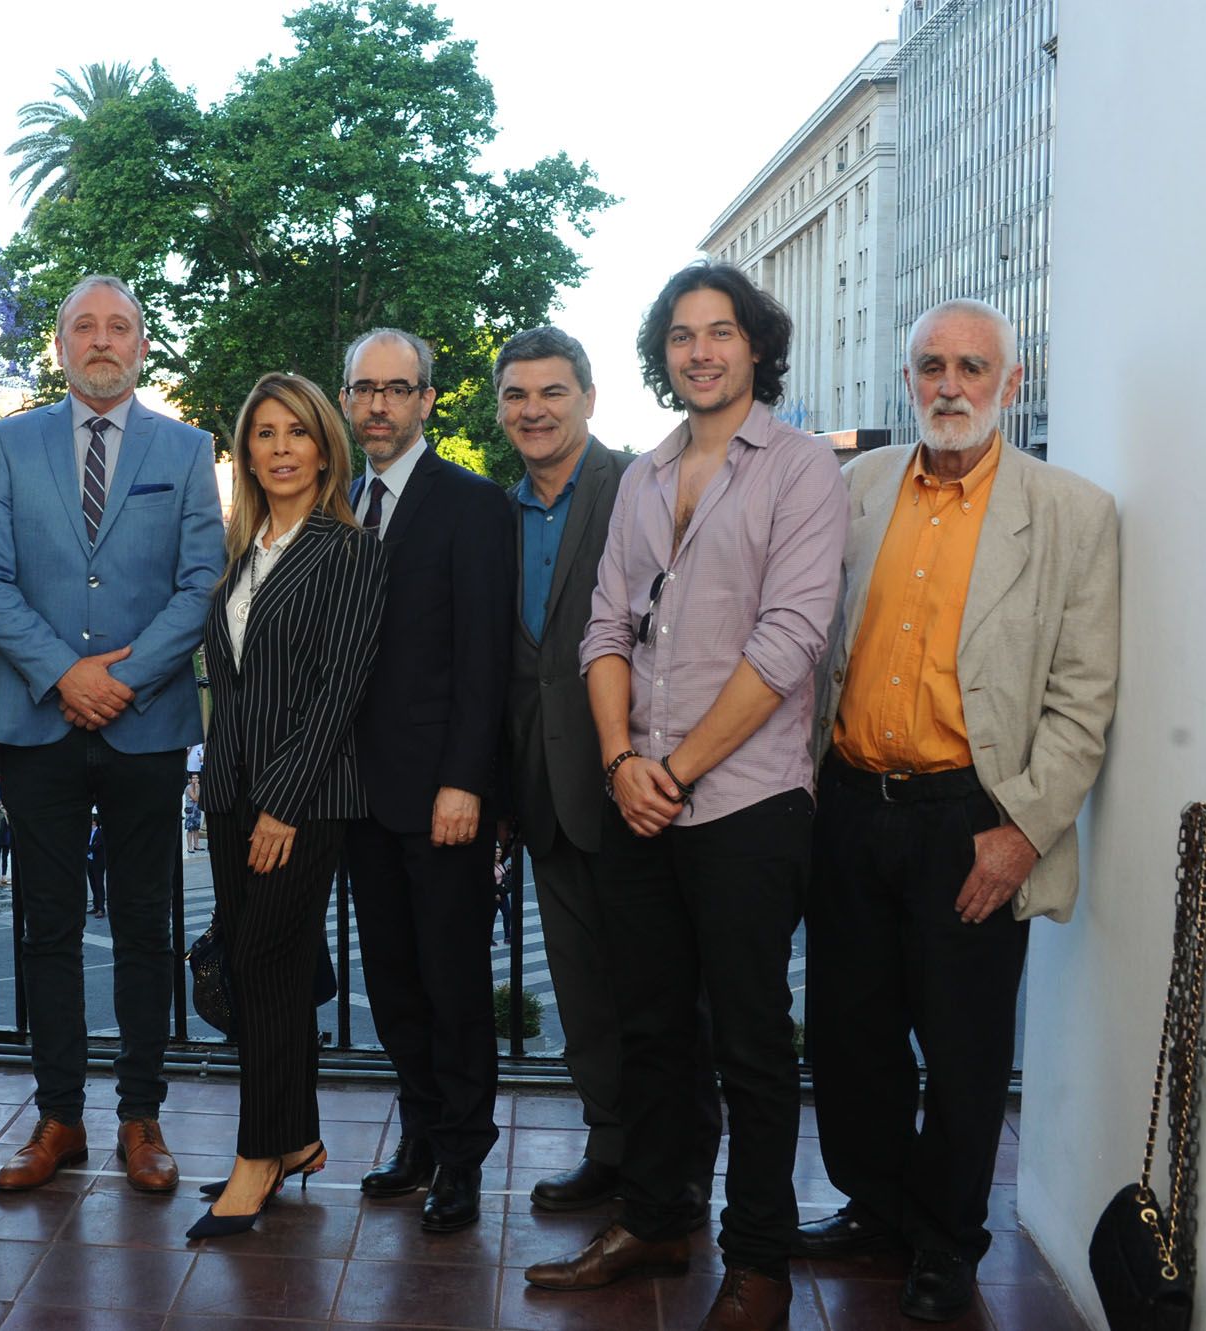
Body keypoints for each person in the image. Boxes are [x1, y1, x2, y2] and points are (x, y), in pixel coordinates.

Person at [528, 262, 845, 1331]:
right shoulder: (642, 476)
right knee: (649, 1029)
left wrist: (676, 768)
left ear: (755, 345)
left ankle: (756, 1258)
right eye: (678, 335)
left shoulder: (800, 468)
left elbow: (789, 639)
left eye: (718, 332)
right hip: (638, 798)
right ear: (659, 357)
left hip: (745, 805)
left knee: (750, 1042)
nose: (699, 350)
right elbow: (602, 629)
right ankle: (656, 1216)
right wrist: (621, 761)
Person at [795, 299, 1119, 1322]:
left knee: (965, 1043)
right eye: (930, 365)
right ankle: (876, 1204)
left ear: (1008, 385)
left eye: (970, 367)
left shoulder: (1072, 513)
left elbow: (1082, 694)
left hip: (969, 820)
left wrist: (1022, 828)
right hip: (847, 804)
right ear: (905, 378)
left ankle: (944, 1236)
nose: (948, 385)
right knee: (846, 1034)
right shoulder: (850, 491)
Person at [0, 274, 226, 1192]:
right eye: (86, 327)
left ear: (143, 345)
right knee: (47, 927)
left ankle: (141, 1117)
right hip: (35, 722)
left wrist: (121, 678)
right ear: (62, 345)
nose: (103, 340)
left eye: (120, 326)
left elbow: (203, 583)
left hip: (147, 724)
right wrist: (63, 673)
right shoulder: (9, 443)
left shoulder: (188, 450)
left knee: (150, 924)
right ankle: (59, 1117)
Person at [492, 325, 726, 1219]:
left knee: (665, 996)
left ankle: (682, 1167)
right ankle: (612, 1145)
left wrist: (652, 763)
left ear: (588, 398)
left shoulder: (641, 485)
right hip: (544, 794)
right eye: (517, 394)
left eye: (553, 391)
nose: (534, 409)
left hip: (637, 784)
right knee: (586, 993)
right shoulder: (496, 513)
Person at [186, 372, 388, 1239]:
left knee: (266, 974)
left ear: (324, 446)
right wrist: (211, 780)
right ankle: (298, 1135)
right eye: (262, 433)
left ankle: (257, 1155)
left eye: (295, 432)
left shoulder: (349, 551)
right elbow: (232, 685)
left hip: (298, 802)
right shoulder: (241, 552)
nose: (279, 448)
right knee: (261, 972)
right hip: (230, 793)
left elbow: (339, 692)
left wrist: (282, 805)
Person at [342, 328, 513, 1234]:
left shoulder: (474, 505)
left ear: (427, 400)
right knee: (393, 981)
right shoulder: (332, 501)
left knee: (452, 986)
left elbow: (485, 661)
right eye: (363, 388)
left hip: (441, 797)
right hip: (354, 796)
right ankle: (416, 1137)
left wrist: (466, 782)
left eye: (396, 389)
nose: (378, 404)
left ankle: (462, 1158)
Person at [85, 812, 106, 917]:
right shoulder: (88, 833)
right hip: (89, 862)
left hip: (98, 863)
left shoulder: (100, 833)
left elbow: (95, 846)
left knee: (99, 885)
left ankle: (101, 909)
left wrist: (85, 849)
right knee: (93, 884)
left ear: (95, 821)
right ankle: (95, 906)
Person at [183, 775, 203, 854]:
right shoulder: (189, 788)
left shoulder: (199, 786)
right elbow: (195, 798)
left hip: (197, 810)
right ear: (191, 779)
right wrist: (197, 789)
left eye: (197, 778)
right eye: (193, 778)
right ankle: (189, 847)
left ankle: (196, 845)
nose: (195, 779)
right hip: (190, 810)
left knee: (196, 828)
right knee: (190, 829)